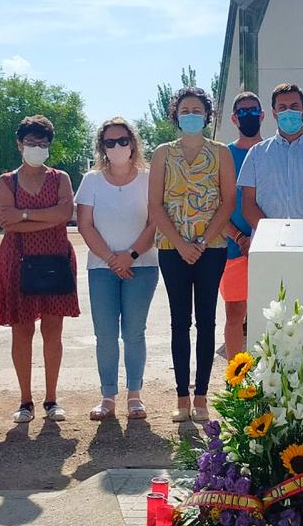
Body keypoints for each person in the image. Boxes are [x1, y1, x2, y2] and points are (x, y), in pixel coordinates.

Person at [149, 87, 236, 423]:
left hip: (211, 249)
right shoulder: (163, 153)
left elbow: (228, 202)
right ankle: (181, 398)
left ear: (207, 115)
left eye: (197, 110)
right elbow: (155, 205)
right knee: (179, 322)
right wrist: (181, 244)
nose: (191, 115)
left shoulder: (221, 153)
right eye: (184, 110)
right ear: (176, 115)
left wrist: (200, 241)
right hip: (172, 250)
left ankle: (201, 396)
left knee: (206, 321)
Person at [0, 115, 79, 424]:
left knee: (53, 330)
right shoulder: (6, 181)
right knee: (22, 330)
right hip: (17, 260)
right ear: (20, 144)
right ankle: (25, 400)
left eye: (42, 143)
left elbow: (65, 214)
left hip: (55, 258)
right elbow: (6, 220)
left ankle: (51, 399)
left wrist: (25, 215)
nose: (37, 147)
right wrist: (45, 216)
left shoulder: (60, 178)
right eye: (31, 142)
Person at [76, 118, 157, 421]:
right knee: (106, 334)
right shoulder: (91, 181)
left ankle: (135, 396)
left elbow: (155, 222)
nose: (118, 147)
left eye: (123, 140)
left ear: (133, 143)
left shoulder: (150, 179)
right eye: (110, 142)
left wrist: (131, 255)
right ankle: (107, 396)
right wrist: (112, 259)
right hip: (102, 268)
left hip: (143, 266)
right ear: (102, 147)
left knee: (134, 332)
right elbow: (85, 225)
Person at [240, 83, 303, 225]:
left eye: (294, 107)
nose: (288, 112)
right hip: (267, 238)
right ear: (274, 113)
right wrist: (272, 233)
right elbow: (248, 206)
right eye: (282, 108)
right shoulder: (255, 154)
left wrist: (302, 233)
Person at [220, 92, 266, 358]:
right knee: (235, 314)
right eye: (243, 111)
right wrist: (239, 238)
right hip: (234, 249)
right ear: (234, 118)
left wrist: (262, 238)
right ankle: (235, 375)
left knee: (272, 314)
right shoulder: (224, 155)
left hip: (271, 248)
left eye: (253, 110)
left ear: (263, 115)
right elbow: (215, 205)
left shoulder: (273, 152)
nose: (249, 115)